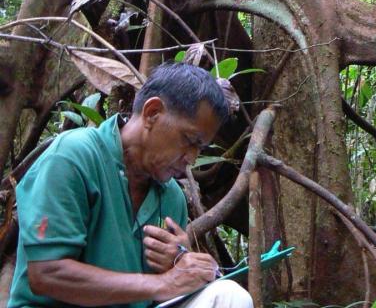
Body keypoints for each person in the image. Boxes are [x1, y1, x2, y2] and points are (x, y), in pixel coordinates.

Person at [8, 63, 253, 308]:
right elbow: (46, 274)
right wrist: (166, 283)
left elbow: (159, 295)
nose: (191, 158)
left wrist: (178, 263)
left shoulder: (171, 197)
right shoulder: (74, 156)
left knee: (230, 297)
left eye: (199, 148)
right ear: (152, 112)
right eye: (189, 140)